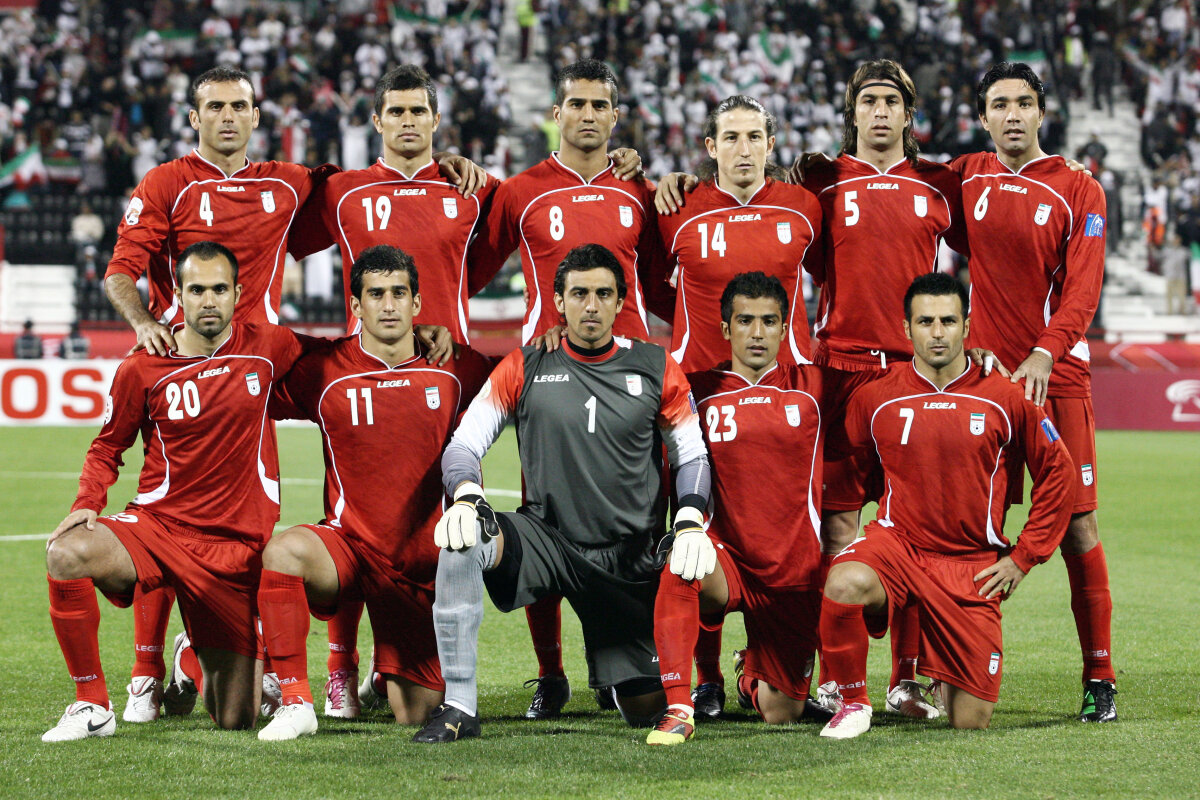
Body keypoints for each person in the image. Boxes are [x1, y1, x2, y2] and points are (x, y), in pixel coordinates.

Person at [108, 65, 462, 725]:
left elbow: (364, 194)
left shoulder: (287, 183)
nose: (228, 117)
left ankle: (231, 656)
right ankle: (144, 672)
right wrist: (143, 324)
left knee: (253, 526)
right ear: (194, 117)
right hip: (183, 367)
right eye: (214, 106)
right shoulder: (166, 183)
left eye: (239, 106)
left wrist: (445, 169)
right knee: (167, 511)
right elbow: (121, 270)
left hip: (258, 369)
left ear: (256, 114)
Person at [413, 243, 712, 742]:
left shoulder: (656, 365)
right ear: (559, 301)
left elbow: (692, 456)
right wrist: (466, 494)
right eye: (579, 294)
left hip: (629, 557)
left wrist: (689, 519)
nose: (591, 305)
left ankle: (618, 675)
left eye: (603, 294)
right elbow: (463, 444)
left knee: (644, 709)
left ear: (621, 302)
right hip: (546, 540)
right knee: (462, 539)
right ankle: (460, 705)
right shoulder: (525, 364)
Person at [41, 241, 312, 741]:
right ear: (179, 296)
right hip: (158, 528)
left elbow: (344, 359)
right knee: (66, 553)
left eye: (219, 289)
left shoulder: (268, 346)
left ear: (238, 294)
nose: (208, 300)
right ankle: (91, 703)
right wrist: (87, 504)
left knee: (236, 718)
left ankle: (188, 658)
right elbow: (107, 447)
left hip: (234, 549)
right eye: (197, 289)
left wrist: (417, 337)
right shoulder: (142, 367)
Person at [465, 58, 662, 719]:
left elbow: (666, 280)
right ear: (556, 113)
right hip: (548, 380)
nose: (586, 114)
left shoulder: (639, 190)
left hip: (631, 385)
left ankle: (621, 664)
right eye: (575, 102)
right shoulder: (520, 192)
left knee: (638, 528)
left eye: (598, 104)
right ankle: (551, 676)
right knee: (543, 523)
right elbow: (469, 270)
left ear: (615, 116)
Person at [817, 272, 1076, 739]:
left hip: (969, 565)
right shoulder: (876, 395)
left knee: (970, 720)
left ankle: (941, 669)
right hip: (898, 548)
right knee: (844, 580)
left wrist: (1023, 557)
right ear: (906, 329)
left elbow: (1059, 472)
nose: (937, 333)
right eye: (925, 322)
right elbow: (841, 461)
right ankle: (852, 702)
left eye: (948, 321)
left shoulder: (1005, 396)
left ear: (967, 326)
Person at [255, 245, 492, 740]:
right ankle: (296, 700)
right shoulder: (324, 369)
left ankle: (384, 675)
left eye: (399, 294)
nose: (388, 305)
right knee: (284, 552)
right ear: (356, 305)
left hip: (418, 568)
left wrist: (551, 341)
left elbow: (514, 380)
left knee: (417, 714)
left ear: (416, 302)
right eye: (376, 294)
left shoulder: (454, 366)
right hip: (348, 549)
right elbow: (251, 389)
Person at [953, 62, 1117, 722]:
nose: (1013, 114)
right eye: (1000, 104)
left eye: (1024, 103)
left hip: (1058, 377)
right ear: (983, 117)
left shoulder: (1080, 188)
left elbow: (1084, 287)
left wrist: (1045, 351)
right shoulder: (966, 177)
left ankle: (1100, 676)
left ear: (1042, 112)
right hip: (985, 385)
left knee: (1078, 526)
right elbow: (894, 193)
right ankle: (942, 671)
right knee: (966, 527)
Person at [649, 272, 832, 746]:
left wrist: (971, 356)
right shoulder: (696, 389)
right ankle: (678, 706)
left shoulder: (815, 386)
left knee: (782, 713)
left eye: (769, 322)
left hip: (792, 570)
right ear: (725, 328)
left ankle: (749, 677)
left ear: (785, 328)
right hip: (725, 559)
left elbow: (891, 382)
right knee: (682, 562)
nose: (757, 333)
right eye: (745, 321)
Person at [291, 65, 501, 344]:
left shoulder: (470, 187)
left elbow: (529, 215)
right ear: (378, 122)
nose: (408, 121)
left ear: (435, 120)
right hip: (367, 364)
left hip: (447, 363)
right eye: (396, 112)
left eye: (418, 111)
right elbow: (276, 242)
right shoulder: (341, 193)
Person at [652, 94, 822, 373]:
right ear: (712, 147)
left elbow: (829, 278)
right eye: (731, 138)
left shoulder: (803, 206)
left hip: (785, 381)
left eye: (754, 137)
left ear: (770, 145)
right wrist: (697, 317)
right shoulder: (678, 207)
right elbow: (651, 286)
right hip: (701, 380)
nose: (744, 150)